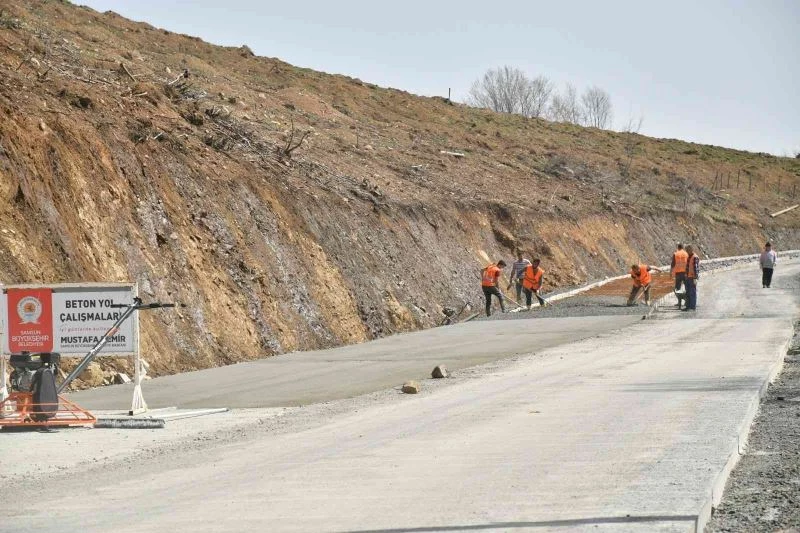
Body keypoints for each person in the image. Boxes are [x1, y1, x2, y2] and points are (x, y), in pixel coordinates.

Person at [671, 243, 689, 309]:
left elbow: (673, 264)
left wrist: (671, 272)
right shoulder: (686, 254)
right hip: (685, 273)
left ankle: (679, 302)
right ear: (683, 247)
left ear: (678, 247)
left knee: (677, 289)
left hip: (678, 273)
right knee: (687, 287)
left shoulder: (675, 254)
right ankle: (687, 301)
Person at [683, 245, 700, 311]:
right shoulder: (689, 257)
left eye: (687, 250)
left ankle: (692, 307)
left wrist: (695, 278)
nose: (686, 251)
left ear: (690, 249)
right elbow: (687, 268)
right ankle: (688, 306)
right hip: (687, 277)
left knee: (692, 292)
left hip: (692, 278)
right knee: (687, 292)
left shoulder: (695, 257)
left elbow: (696, 268)